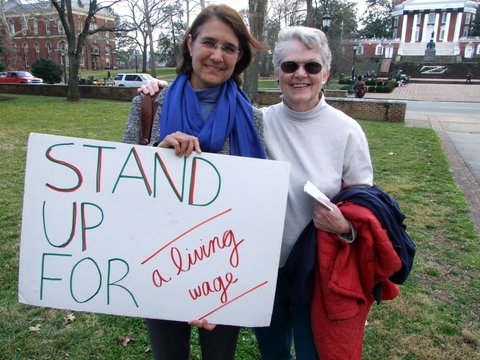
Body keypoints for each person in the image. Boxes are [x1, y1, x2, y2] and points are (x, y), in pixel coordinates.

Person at [138, 25, 373, 360]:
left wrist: (345, 226)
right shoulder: (255, 120)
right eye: (290, 66)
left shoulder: (348, 132)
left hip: (317, 272)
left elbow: (367, 209)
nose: (300, 74)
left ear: (327, 73)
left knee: (313, 352)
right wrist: (161, 88)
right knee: (274, 353)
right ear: (276, 72)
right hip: (260, 271)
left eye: (312, 66)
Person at [121, 4, 266, 360]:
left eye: (229, 48)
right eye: (209, 43)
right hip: (160, 261)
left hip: (223, 266)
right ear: (190, 43)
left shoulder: (252, 118)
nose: (217, 55)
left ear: (239, 57)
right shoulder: (151, 104)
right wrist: (158, 152)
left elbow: (256, 202)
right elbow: (119, 182)